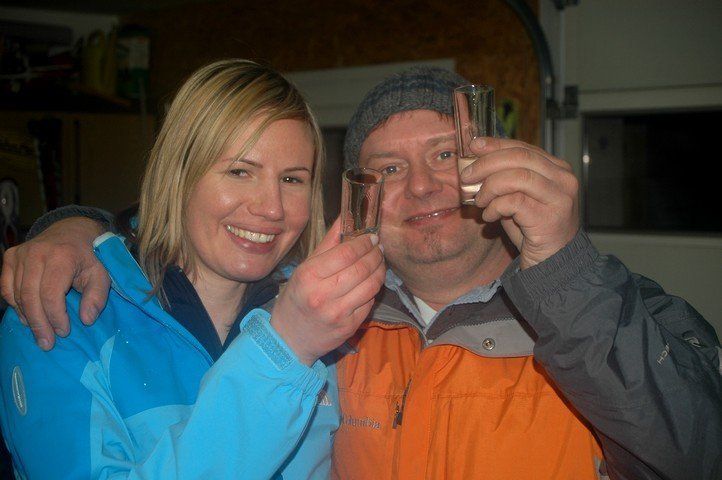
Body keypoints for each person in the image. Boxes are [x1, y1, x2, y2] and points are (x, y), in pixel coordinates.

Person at [3, 67, 721, 480]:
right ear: (359, 200)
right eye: (390, 169)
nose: (422, 186)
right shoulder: (336, 323)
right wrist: (76, 227)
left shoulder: (597, 313)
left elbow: (699, 452)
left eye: (445, 155)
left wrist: (564, 268)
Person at [0, 59, 386, 479]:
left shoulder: (331, 322)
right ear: (179, 174)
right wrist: (285, 349)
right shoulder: (57, 315)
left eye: (292, 180)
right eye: (240, 171)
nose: (272, 208)